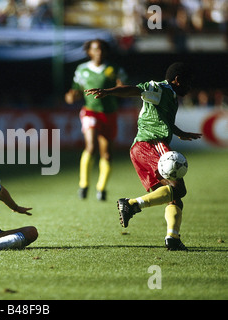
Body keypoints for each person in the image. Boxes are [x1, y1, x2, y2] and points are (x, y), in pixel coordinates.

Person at [85, 62, 202, 251]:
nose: (190, 88)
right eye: (188, 83)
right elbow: (135, 89)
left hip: (140, 149)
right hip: (151, 144)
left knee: (173, 198)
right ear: (178, 80)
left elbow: (161, 119)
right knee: (179, 189)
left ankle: (172, 238)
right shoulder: (159, 88)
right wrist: (109, 91)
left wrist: (180, 132)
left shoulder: (170, 96)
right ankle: (131, 204)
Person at [65, 39, 127, 201]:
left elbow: (124, 89)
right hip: (90, 112)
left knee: (106, 155)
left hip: (109, 114)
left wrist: (117, 89)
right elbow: (75, 90)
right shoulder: (82, 69)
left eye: (101, 49)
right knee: (91, 146)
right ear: (89, 52)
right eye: (95, 49)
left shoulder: (114, 70)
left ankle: (101, 188)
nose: (98, 52)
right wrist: (71, 96)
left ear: (105, 52)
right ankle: (84, 184)